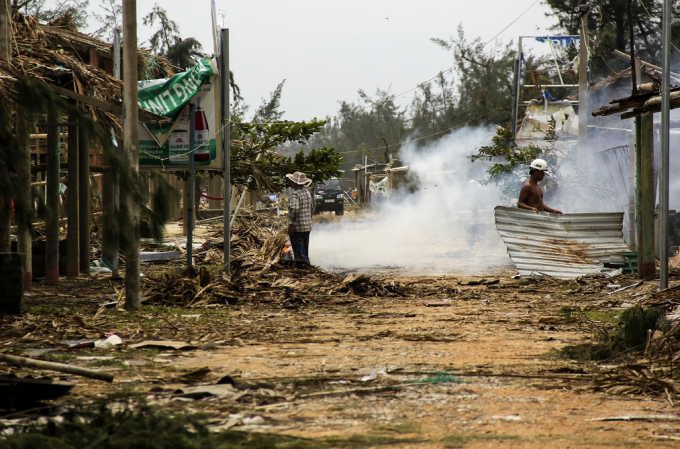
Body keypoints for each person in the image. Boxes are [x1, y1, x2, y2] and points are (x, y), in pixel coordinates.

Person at [286, 171, 314, 265]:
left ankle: (303, 268)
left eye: (292, 181)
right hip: (307, 227)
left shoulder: (295, 194)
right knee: (305, 250)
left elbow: (294, 209)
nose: (290, 182)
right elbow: (312, 208)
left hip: (297, 228)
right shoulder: (307, 193)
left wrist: (291, 225)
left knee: (299, 252)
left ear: (295, 183)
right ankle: (307, 267)